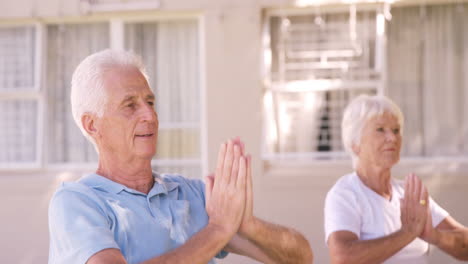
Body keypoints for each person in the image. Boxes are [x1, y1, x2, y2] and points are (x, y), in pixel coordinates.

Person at [48, 49, 313, 264]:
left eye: (150, 103)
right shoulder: (76, 202)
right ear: (92, 125)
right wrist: (218, 230)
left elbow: (300, 258)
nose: (150, 116)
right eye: (130, 105)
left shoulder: (193, 194)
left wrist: (247, 225)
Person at [324, 94, 468, 264]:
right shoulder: (345, 193)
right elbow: (343, 258)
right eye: (380, 129)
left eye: (396, 130)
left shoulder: (409, 193)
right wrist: (407, 233)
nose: (392, 138)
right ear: (355, 143)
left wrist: (435, 236)